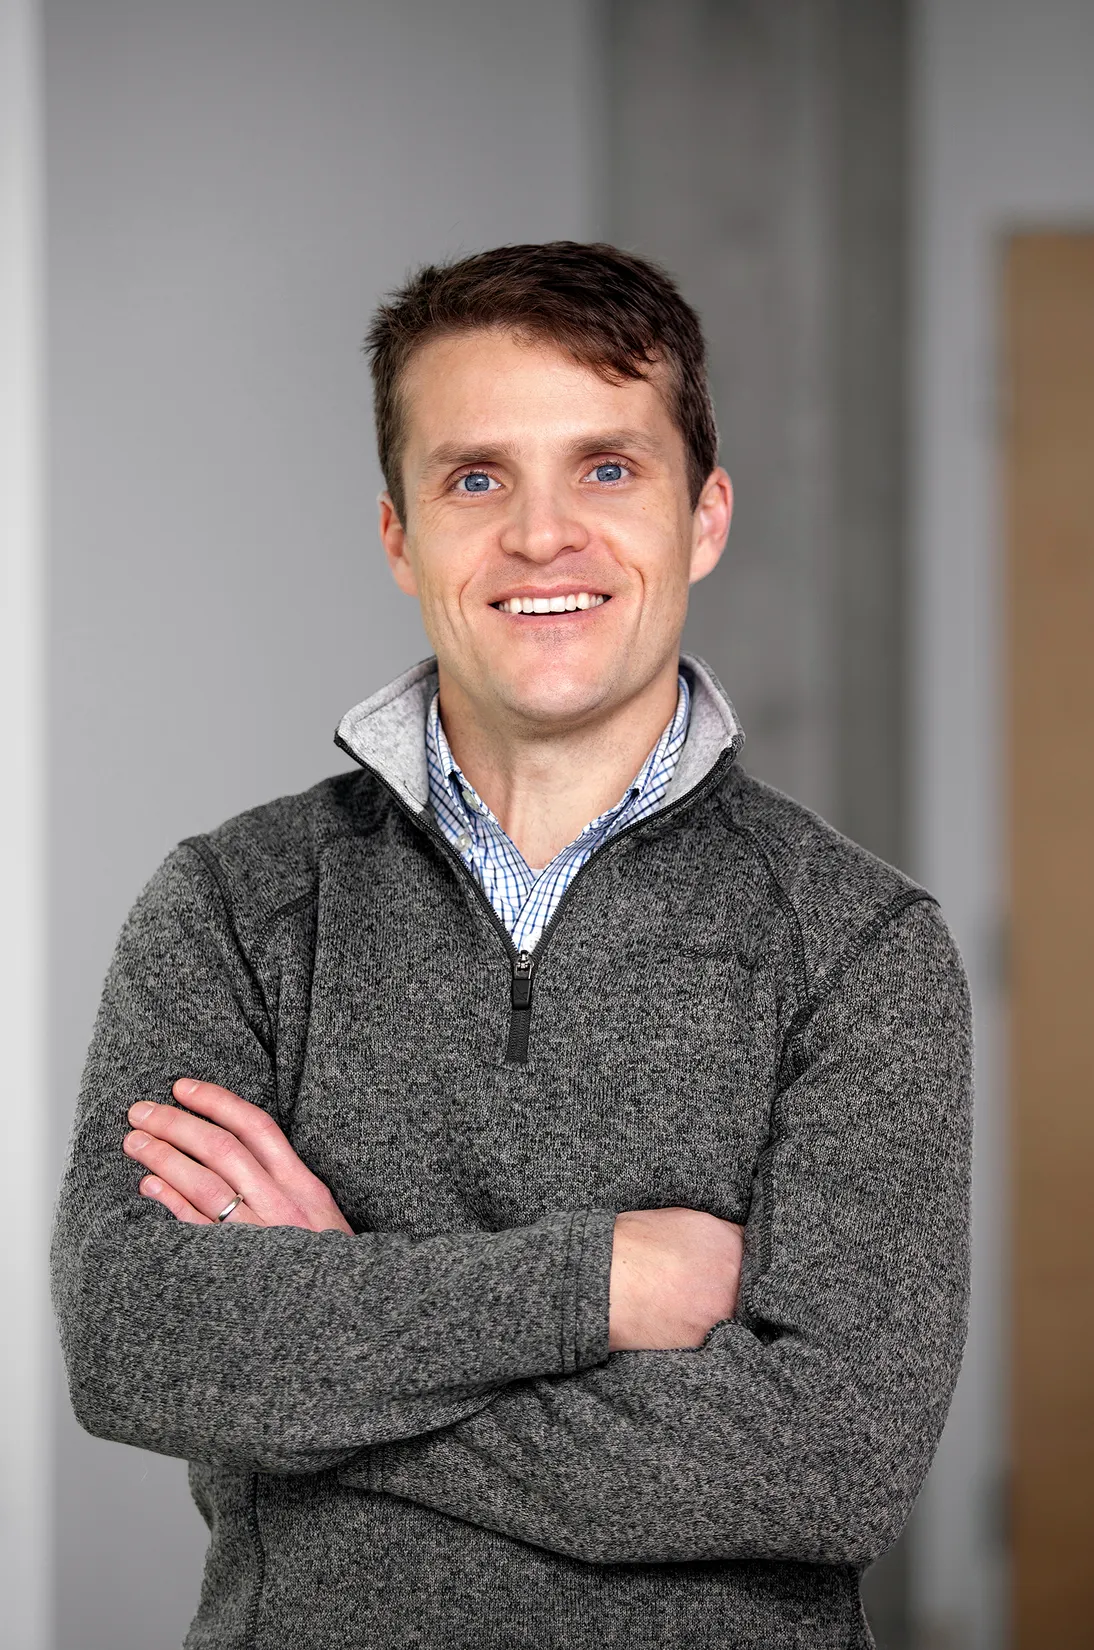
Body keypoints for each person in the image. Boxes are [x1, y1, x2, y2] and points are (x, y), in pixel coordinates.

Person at [50, 241, 972, 1650]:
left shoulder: (859, 946)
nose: (545, 534)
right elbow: (133, 1339)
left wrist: (323, 1337)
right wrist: (599, 1279)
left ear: (705, 516)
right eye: (477, 476)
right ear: (399, 535)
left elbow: (830, 1462)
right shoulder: (231, 905)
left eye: (609, 467)